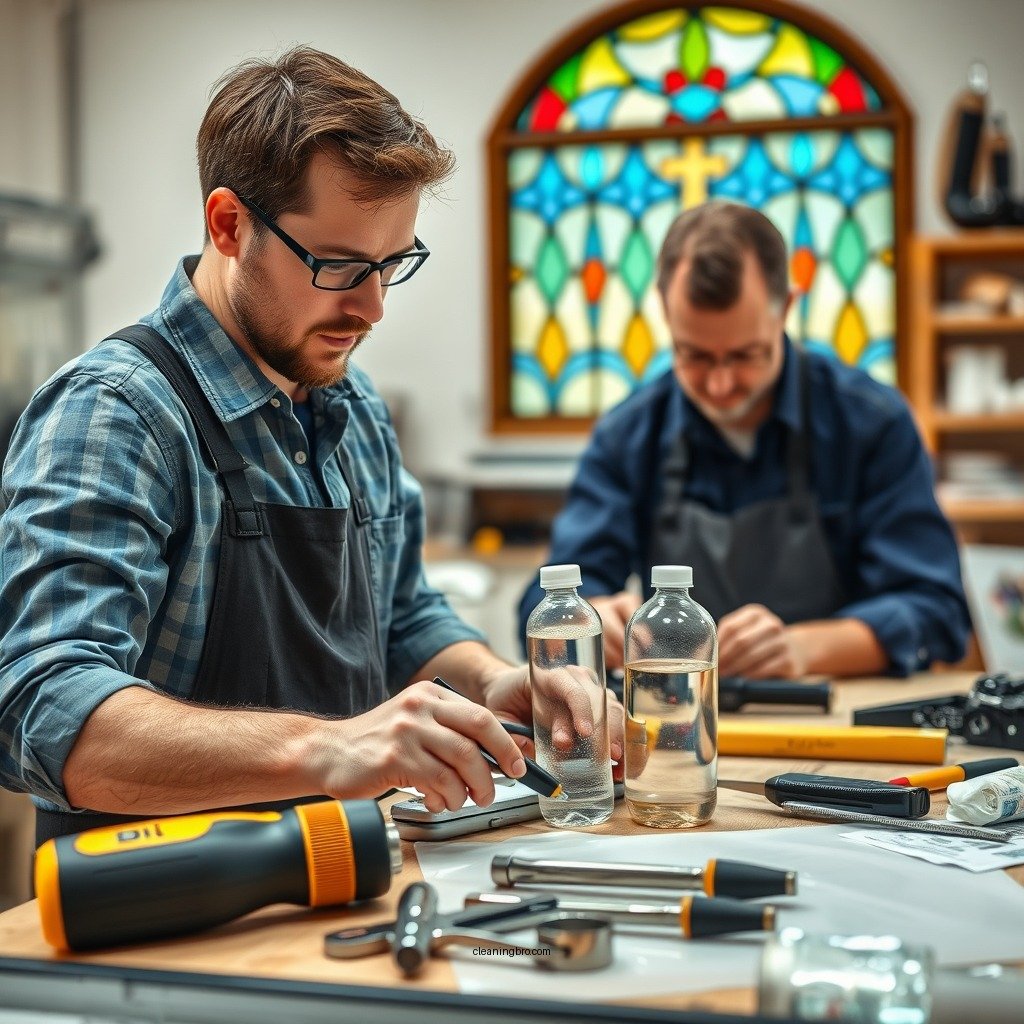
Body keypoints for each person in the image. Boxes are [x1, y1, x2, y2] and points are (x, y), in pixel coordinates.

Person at [0, 47, 621, 844]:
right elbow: (44, 708)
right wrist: (329, 748)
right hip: (158, 905)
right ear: (229, 225)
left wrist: (495, 680)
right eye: (339, 266)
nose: (372, 309)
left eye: (392, 265)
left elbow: (401, 615)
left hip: (342, 869)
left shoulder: (350, 403)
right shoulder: (116, 415)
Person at [518, 202, 970, 680]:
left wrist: (805, 650)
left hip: (837, 719)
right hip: (676, 724)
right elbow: (544, 601)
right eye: (692, 355)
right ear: (665, 309)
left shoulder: (871, 423)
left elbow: (937, 610)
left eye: (745, 355)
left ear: (788, 308)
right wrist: (587, 618)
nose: (718, 384)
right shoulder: (629, 435)